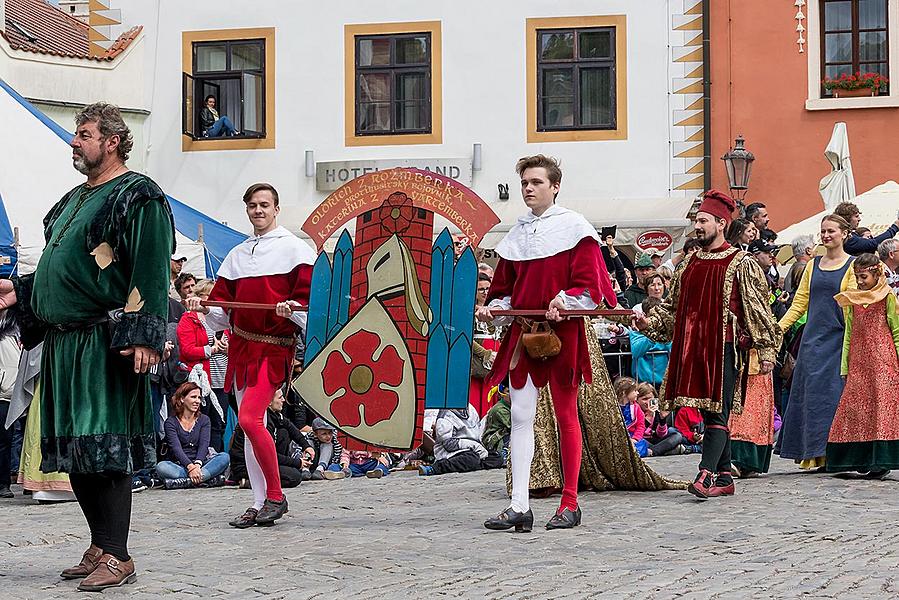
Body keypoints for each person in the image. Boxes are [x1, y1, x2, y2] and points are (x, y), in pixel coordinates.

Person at [0, 103, 173, 590]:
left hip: (104, 342)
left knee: (107, 447)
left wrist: (144, 336)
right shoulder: (70, 202)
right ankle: (99, 543)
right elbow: (68, 272)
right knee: (76, 451)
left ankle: (119, 555)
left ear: (112, 140)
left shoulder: (137, 195)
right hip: (63, 344)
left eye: (83, 134)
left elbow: (151, 267)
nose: (74, 142)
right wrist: (23, 292)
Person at [478, 154, 618, 532]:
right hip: (524, 332)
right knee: (522, 416)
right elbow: (505, 290)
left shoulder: (576, 228)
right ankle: (519, 504)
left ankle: (570, 503)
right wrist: (496, 308)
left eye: (536, 182)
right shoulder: (517, 235)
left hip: (563, 332)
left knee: (565, 415)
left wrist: (566, 300)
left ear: (555, 186)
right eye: (525, 183)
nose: (528, 188)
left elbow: (590, 285)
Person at [633, 189, 781, 499]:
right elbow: (672, 309)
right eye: (696, 221)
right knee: (706, 411)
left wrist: (766, 350)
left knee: (718, 413)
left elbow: (758, 310)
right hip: (692, 349)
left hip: (724, 348)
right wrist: (650, 324)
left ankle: (706, 472)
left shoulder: (741, 263)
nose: (697, 227)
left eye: (703, 221)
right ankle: (726, 476)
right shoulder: (689, 263)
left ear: (721, 223)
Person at [185, 182, 314, 529]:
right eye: (252, 206)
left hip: (273, 348)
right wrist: (201, 307)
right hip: (241, 348)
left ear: (276, 208)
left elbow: (310, 309)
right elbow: (221, 314)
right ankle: (259, 501)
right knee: (250, 427)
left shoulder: (295, 250)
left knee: (250, 420)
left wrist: (292, 312)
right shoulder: (237, 255)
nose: (258, 211)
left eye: (264, 205)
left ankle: (276, 495)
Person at [777, 215, 856, 470]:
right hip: (813, 341)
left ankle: (834, 452)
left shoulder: (853, 266)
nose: (826, 236)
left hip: (839, 340)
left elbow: (853, 305)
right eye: (823, 231)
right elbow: (799, 303)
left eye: (831, 231)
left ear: (844, 234)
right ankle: (814, 453)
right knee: (812, 398)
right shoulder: (812, 265)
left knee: (834, 396)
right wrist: (779, 328)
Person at [826, 253, 899, 478]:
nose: (860, 282)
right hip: (858, 363)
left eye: (864, 277)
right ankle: (858, 458)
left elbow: (896, 331)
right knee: (856, 410)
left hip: (883, 363)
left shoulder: (887, 296)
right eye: (857, 277)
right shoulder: (852, 300)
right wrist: (845, 365)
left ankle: (881, 461)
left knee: (881, 411)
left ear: (877, 273)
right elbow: (849, 333)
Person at [177, 278, 230, 452]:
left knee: (219, 423)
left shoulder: (224, 319)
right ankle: (199, 459)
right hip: (203, 380)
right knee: (201, 422)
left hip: (223, 378)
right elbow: (186, 350)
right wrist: (211, 350)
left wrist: (228, 349)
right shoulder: (189, 319)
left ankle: (216, 459)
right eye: (211, 296)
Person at [156, 383, 229, 489]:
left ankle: (186, 481)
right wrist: (190, 467)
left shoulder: (204, 420)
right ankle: (205, 480)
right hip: (181, 465)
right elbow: (176, 449)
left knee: (224, 457)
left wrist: (197, 465)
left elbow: (204, 445)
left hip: (201, 464)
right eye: (193, 397)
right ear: (182, 399)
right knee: (161, 467)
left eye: (199, 397)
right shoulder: (170, 422)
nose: (197, 401)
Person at [419, 404, 502, 476]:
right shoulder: (445, 416)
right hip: (452, 453)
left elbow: (477, 429)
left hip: (473, 450)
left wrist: (481, 448)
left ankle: (470, 466)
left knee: (496, 457)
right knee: (471, 458)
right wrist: (474, 446)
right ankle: (435, 468)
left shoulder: (470, 408)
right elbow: (449, 445)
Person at [469, 273, 500, 417]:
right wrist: (485, 353)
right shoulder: (468, 310)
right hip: (477, 360)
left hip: (497, 355)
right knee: (476, 397)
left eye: (488, 288)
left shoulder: (497, 308)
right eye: (481, 289)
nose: (485, 292)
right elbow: (465, 338)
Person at [628, 297, 671, 387]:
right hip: (644, 383)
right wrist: (651, 335)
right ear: (645, 315)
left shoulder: (668, 329)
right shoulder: (637, 330)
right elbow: (636, 351)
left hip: (666, 382)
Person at [635, 383, 685, 457]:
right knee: (639, 442)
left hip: (655, 440)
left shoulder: (656, 410)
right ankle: (664, 450)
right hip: (642, 440)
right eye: (644, 399)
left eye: (650, 398)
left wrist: (662, 419)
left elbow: (661, 435)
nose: (648, 402)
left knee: (677, 435)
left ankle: (653, 451)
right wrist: (649, 416)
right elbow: (638, 433)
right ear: (637, 400)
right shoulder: (635, 410)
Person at [0, 311, 19, 499]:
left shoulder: (15, 327)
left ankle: (3, 482)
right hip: (4, 390)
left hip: (9, 393)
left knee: (6, 440)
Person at [834, 201, 899, 256]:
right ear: (847, 218)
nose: (859, 219)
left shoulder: (850, 235)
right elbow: (873, 243)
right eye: (856, 216)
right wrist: (895, 227)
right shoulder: (847, 239)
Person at [616, 377, 648, 457]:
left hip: (632, 437)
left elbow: (641, 425)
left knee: (642, 445)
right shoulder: (614, 408)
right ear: (624, 393)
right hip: (619, 438)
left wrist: (635, 439)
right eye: (635, 391)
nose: (637, 393)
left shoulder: (636, 408)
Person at [785, 234, 815, 300]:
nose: (815, 252)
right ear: (808, 251)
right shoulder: (805, 269)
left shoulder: (794, 267)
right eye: (813, 248)